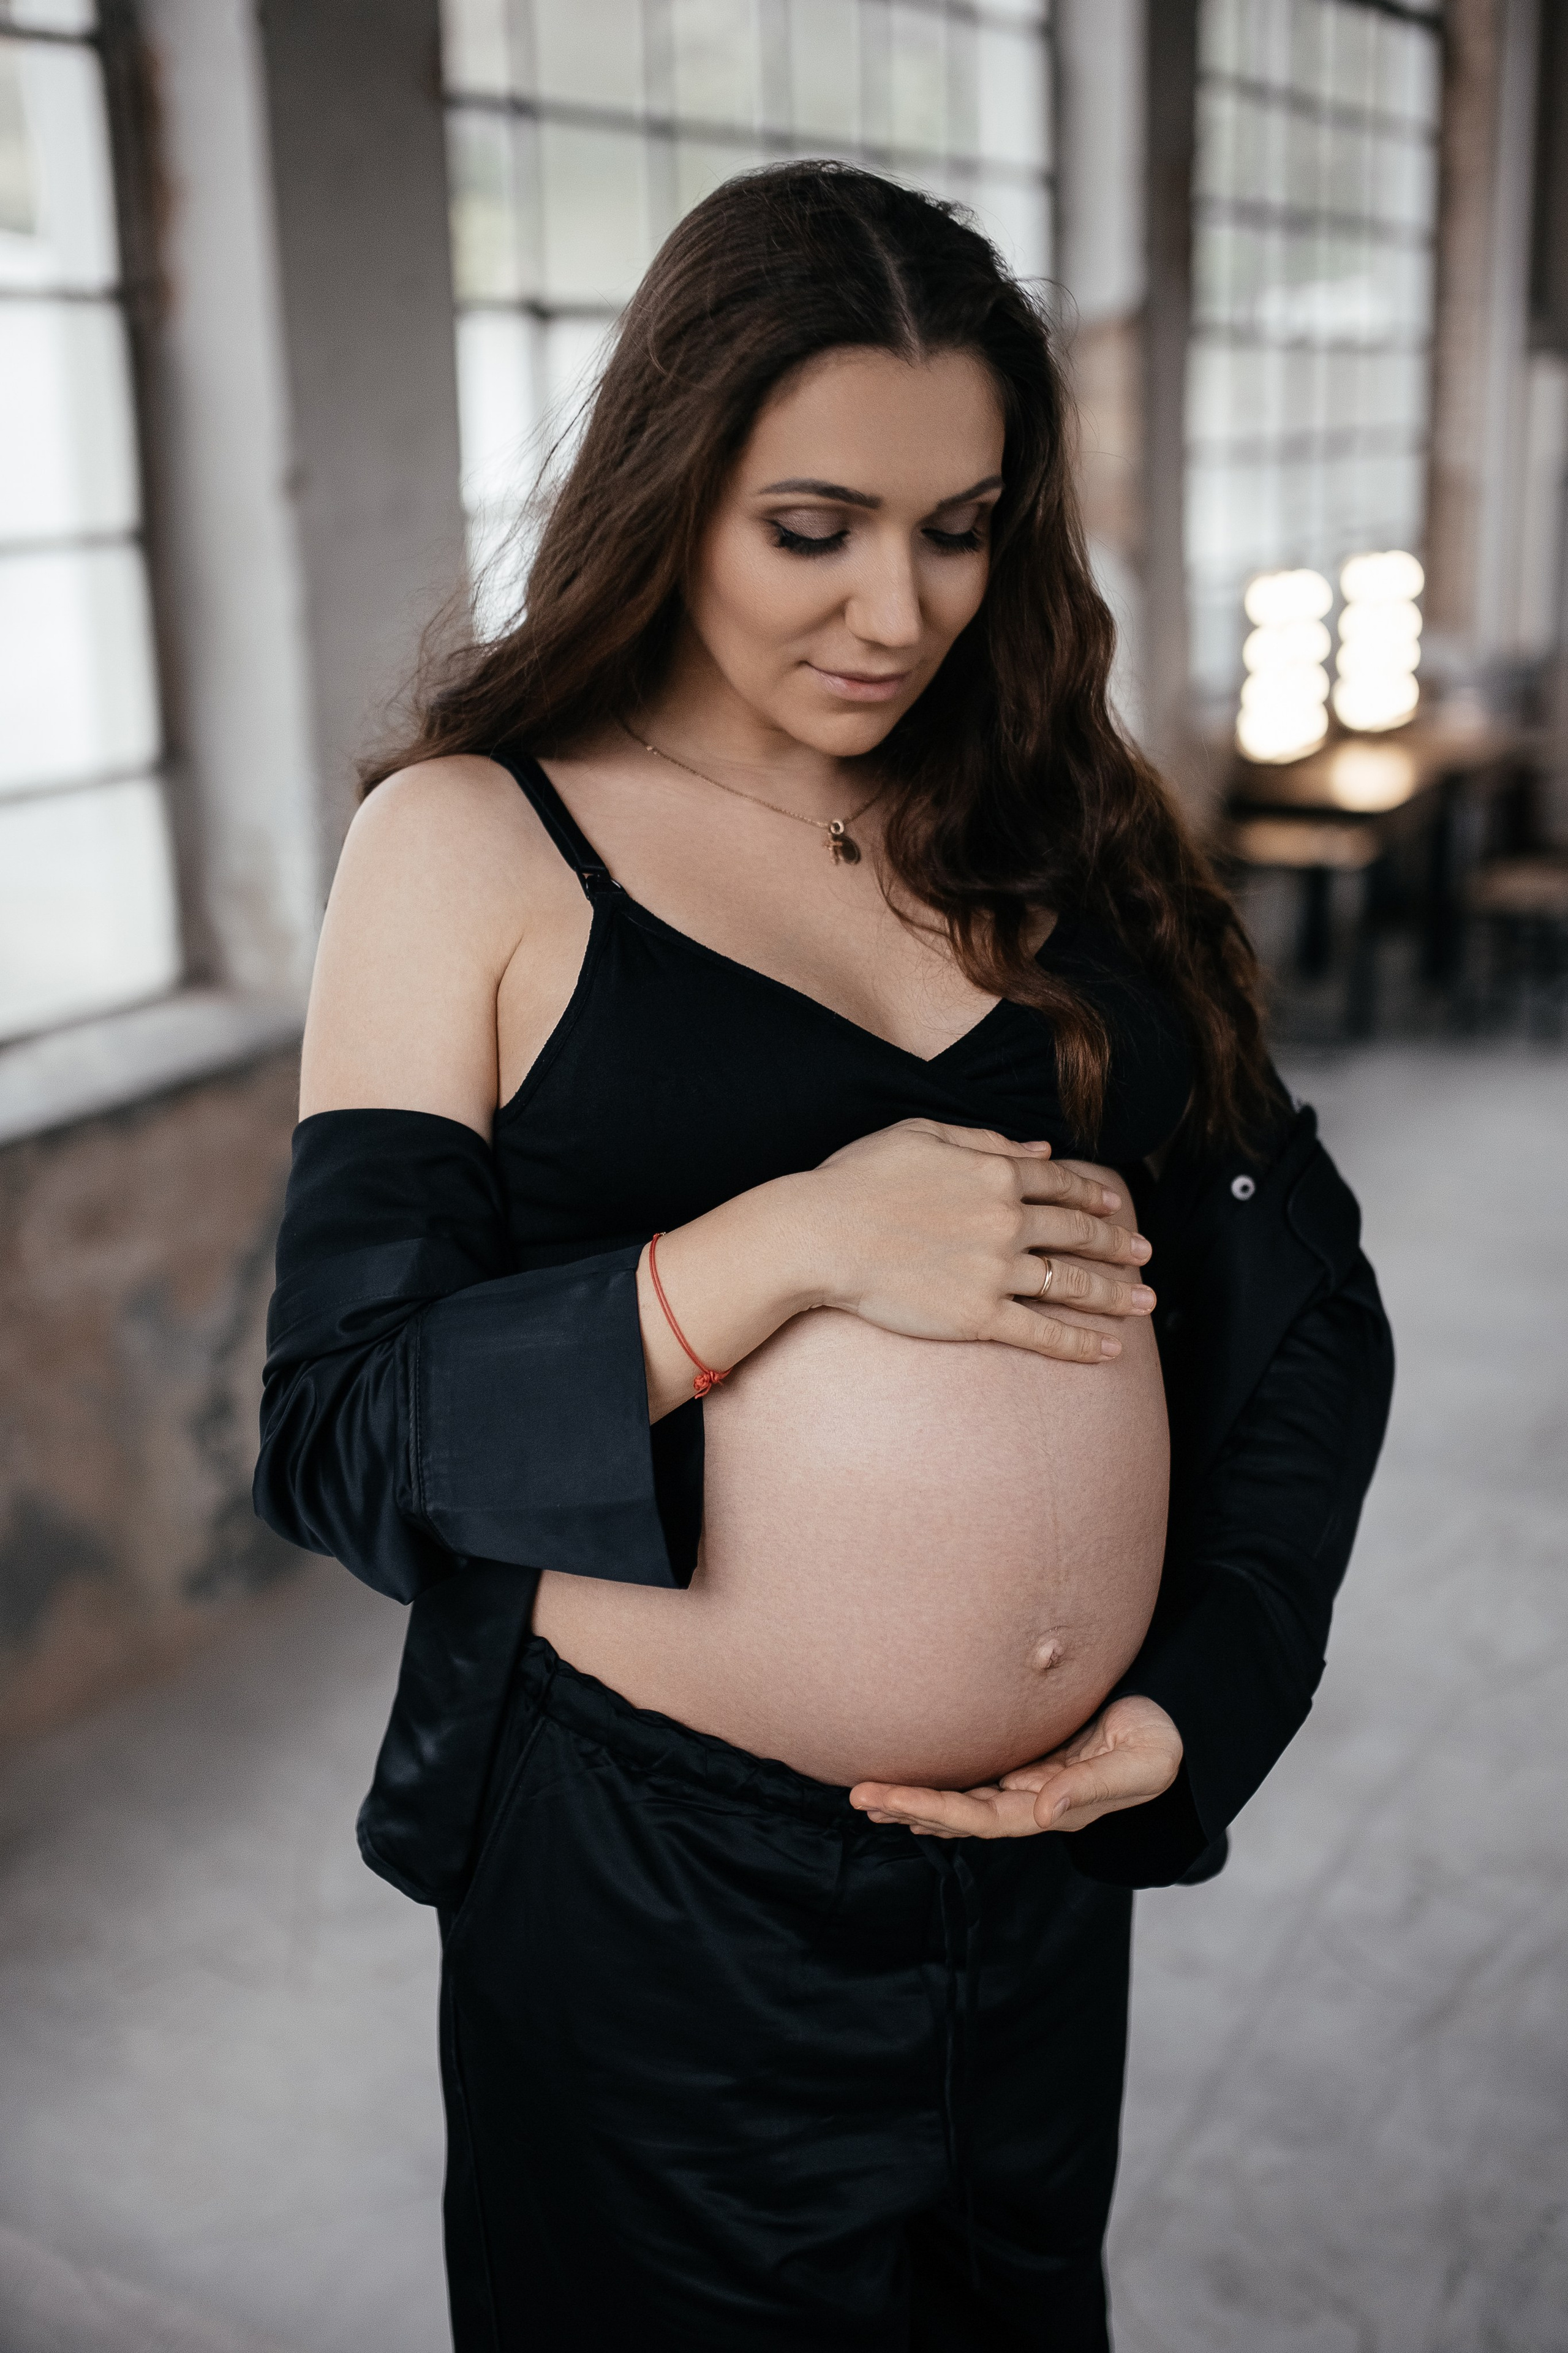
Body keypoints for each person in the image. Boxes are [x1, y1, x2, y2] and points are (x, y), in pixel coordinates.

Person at [255, 162, 1393, 2352]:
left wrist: (1198, 1700)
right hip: (656, 1903)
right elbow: (341, 1425)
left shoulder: (1051, 816)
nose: (899, 608)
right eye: (817, 528)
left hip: (1039, 1883)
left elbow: (1308, 1307)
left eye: (960, 527)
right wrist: (771, 1251)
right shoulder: (477, 846)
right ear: (672, 489)